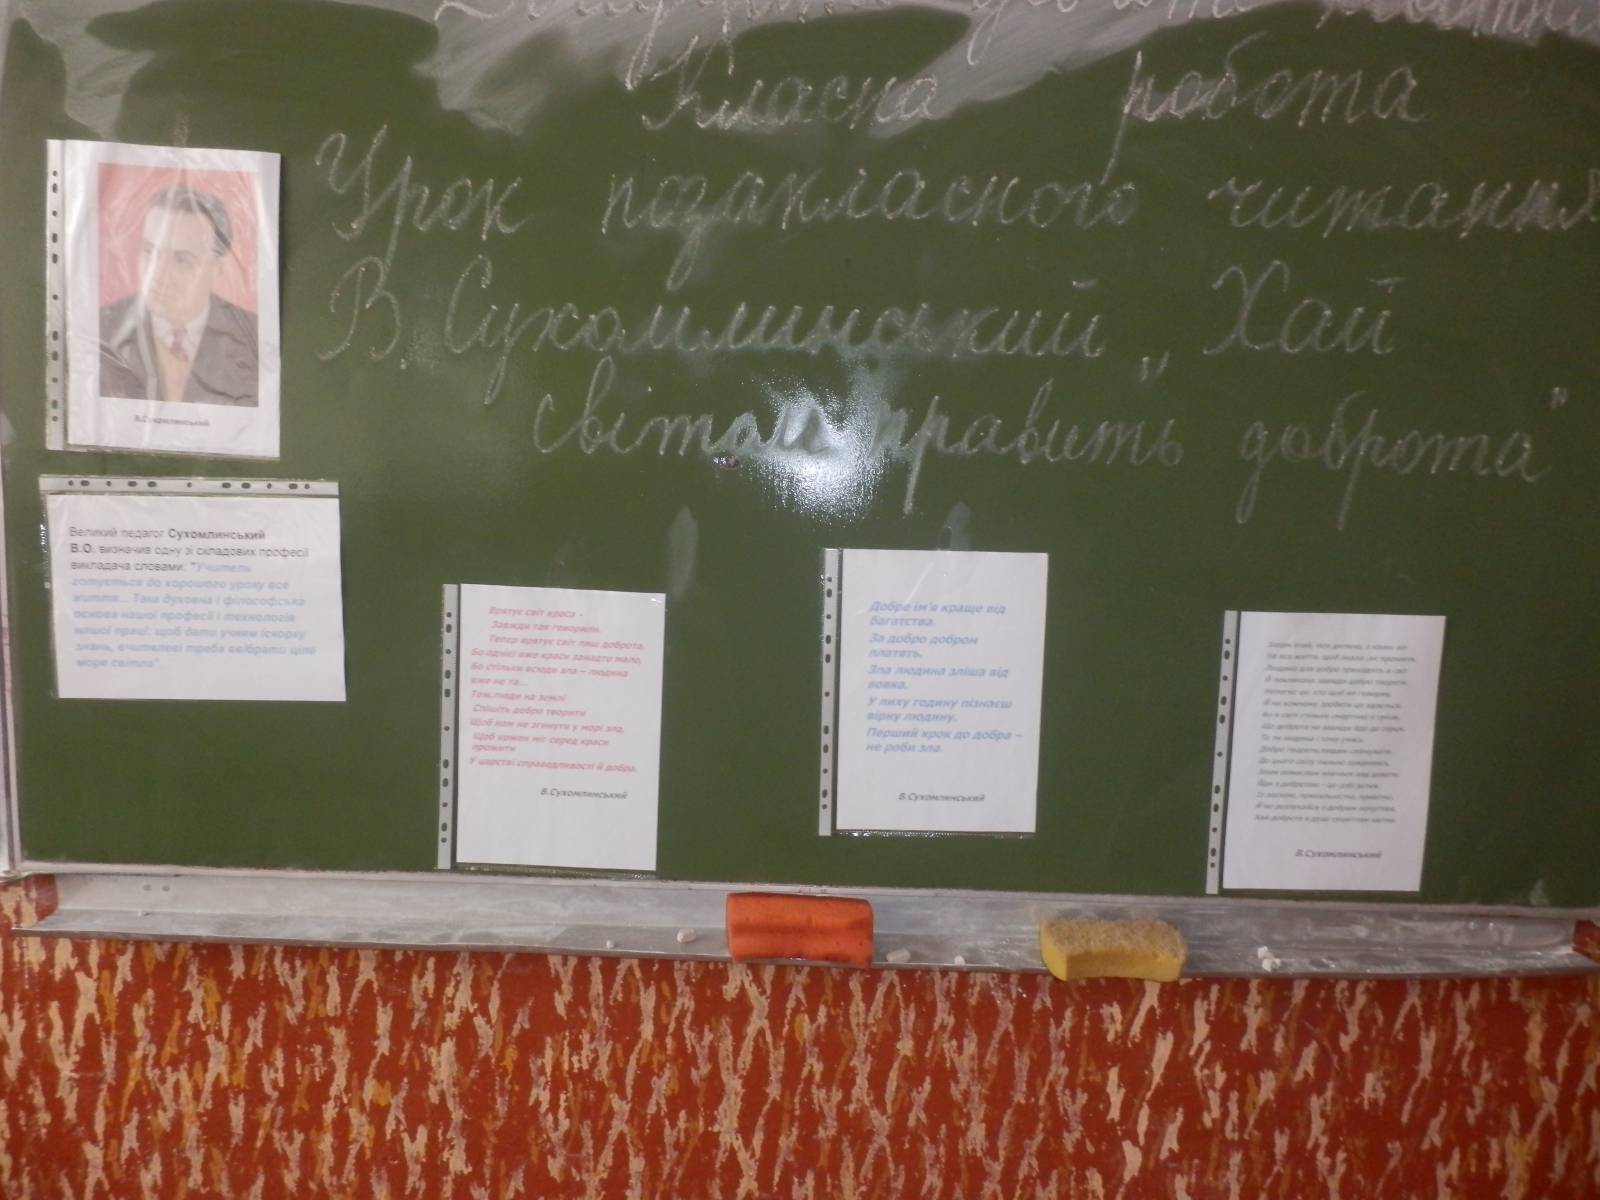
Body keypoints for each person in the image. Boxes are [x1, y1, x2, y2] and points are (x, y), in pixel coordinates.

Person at [99, 185, 259, 406]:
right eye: (150, 252)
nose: (158, 275)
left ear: (217, 268)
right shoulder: (101, 330)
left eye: (181, 260)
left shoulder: (253, 337)